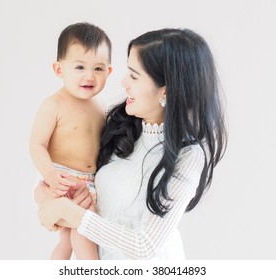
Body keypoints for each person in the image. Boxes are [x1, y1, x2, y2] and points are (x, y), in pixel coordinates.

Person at [35, 27, 227, 259]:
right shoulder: (119, 127)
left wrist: (69, 213)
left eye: (134, 76)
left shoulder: (188, 156)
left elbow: (143, 245)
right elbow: (67, 166)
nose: (124, 83)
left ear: (165, 91)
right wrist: (46, 197)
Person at [29, 22, 112, 260]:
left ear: (109, 72)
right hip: (62, 178)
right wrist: (51, 176)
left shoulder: (102, 105)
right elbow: (37, 145)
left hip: (89, 183)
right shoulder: (53, 104)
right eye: (79, 67)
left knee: (71, 239)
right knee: (80, 237)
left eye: (98, 68)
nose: (89, 76)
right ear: (59, 69)